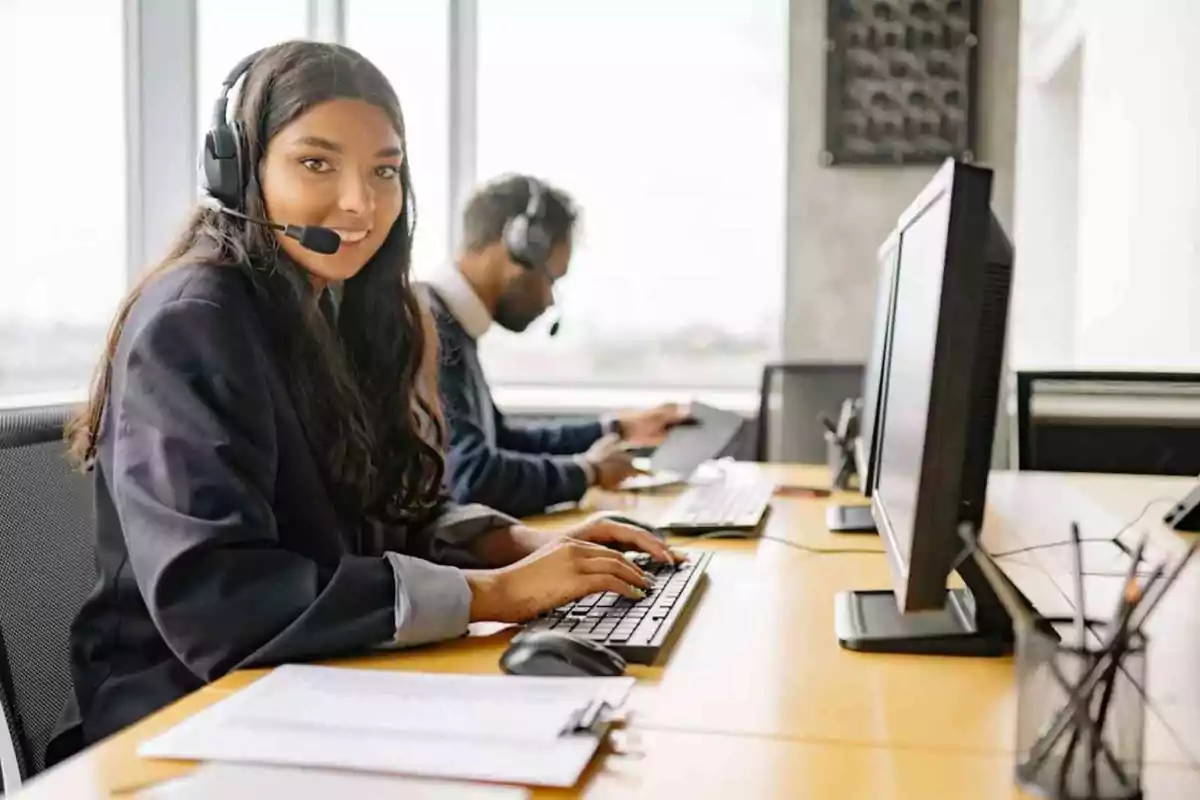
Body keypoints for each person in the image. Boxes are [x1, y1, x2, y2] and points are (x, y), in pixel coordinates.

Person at [47, 42, 675, 764]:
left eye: (384, 170)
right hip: (174, 721)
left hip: (304, 688)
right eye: (317, 163)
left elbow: (376, 517)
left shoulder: (330, 314)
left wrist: (512, 544)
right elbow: (218, 603)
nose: (361, 202)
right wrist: (490, 595)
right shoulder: (195, 319)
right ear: (238, 169)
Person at [423, 175, 690, 518]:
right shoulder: (429, 327)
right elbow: (473, 478)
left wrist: (617, 428)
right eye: (552, 279)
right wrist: (587, 472)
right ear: (519, 247)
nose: (549, 300)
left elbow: (502, 442)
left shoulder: (453, 324)